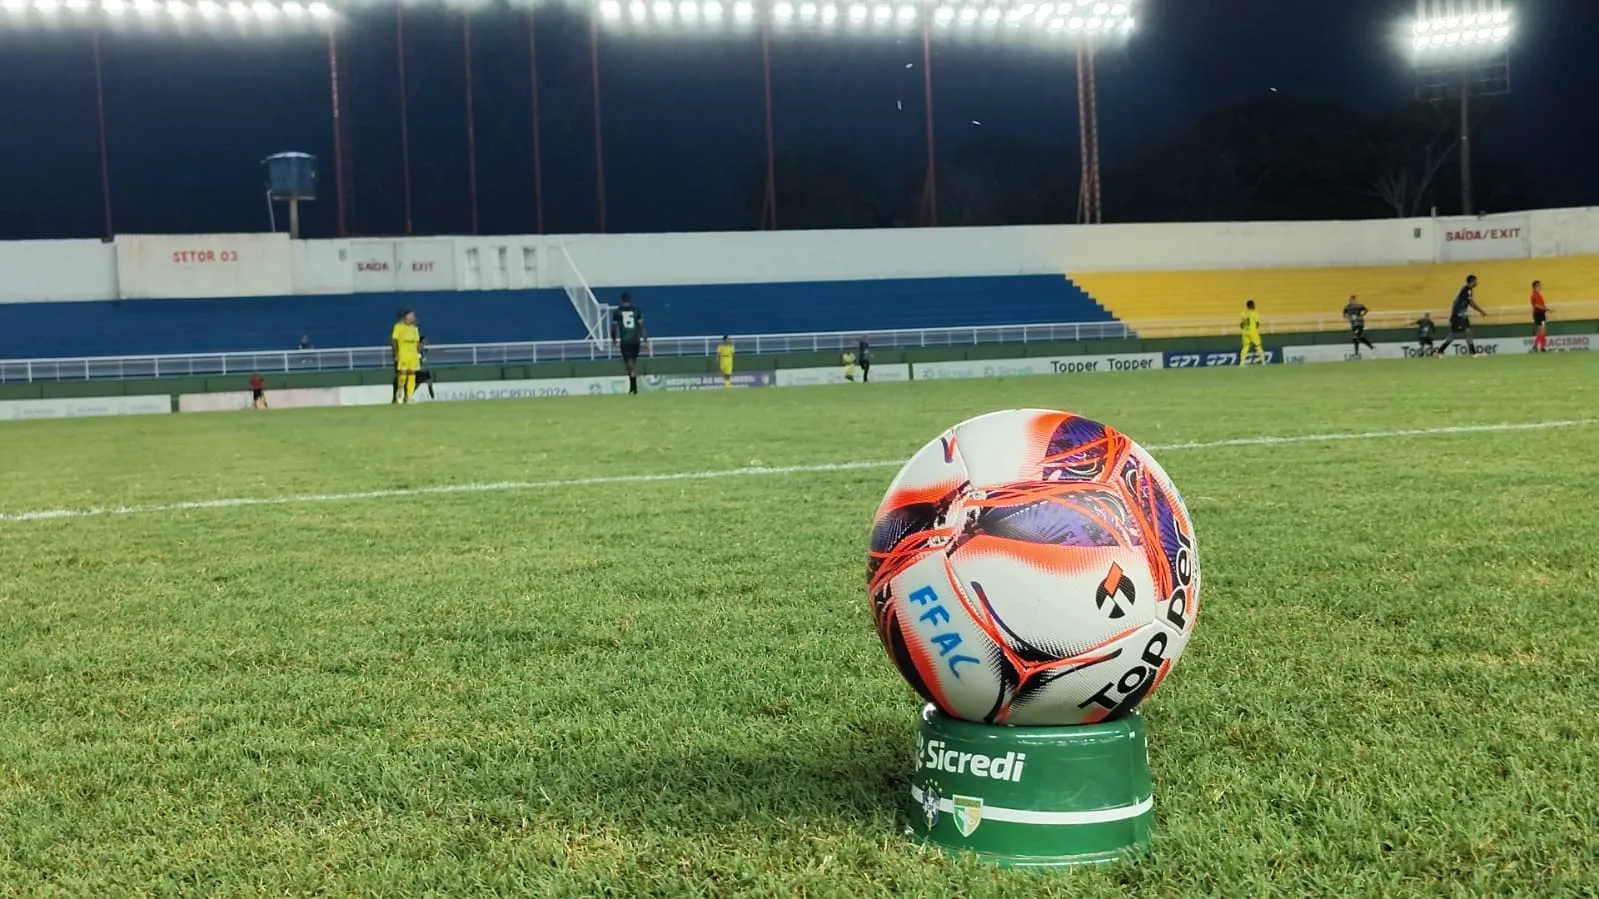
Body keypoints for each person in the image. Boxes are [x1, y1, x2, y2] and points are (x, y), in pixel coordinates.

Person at [1436, 274, 1486, 357]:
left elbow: (1458, 302)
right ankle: (1473, 353)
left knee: (1456, 334)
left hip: (1458, 315)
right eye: (1475, 281)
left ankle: (1440, 351)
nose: (1476, 283)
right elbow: (1471, 303)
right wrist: (1481, 311)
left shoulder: (1464, 289)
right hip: (1459, 315)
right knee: (1466, 332)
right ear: (1472, 281)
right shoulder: (1467, 289)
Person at [611, 292, 649, 395]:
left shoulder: (617, 312)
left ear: (622, 299)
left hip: (625, 340)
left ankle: (634, 385)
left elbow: (614, 327)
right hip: (636, 340)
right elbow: (641, 326)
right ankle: (632, 387)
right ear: (630, 299)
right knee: (632, 362)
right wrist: (645, 340)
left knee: (629, 363)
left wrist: (613, 339)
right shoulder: (636, 311)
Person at [391, 309, 421, 403]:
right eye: (411, 316)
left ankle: (408, 397)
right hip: (403, 354)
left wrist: (419, 352)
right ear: (406, 317)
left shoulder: (415, 328)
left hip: (413, 355)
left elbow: (417, 342)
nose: (413, 318)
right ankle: (400, 389)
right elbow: (394, 341)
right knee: (403, 375)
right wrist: (395, 354)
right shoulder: (398, 327)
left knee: (412, 374)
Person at [1239, 300, 1264, 365]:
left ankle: (1242, 361)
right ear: (1252, 305)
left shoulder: (1243, 314)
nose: (1254, 306)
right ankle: (1263, 361)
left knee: (1245, 347)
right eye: (1253, 305)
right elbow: (1257, 324)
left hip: (1245, 333)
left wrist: (1245, 328)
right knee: (1257, 346)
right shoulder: (1255, 313)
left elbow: (1241, 325)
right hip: (1253, 332)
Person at [1531, 280, 1550, 352]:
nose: (1540, 286)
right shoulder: (1534, 295)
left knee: (1542, 330)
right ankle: (1538, 346)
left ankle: (1541, 347)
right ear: (1536, 286)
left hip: (1541, 314)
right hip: (1538, 314)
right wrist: (1546, 309)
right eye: (1539, 285)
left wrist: (1545, 310)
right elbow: (1537, 305)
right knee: (1542, 330)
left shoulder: (1538, 294)